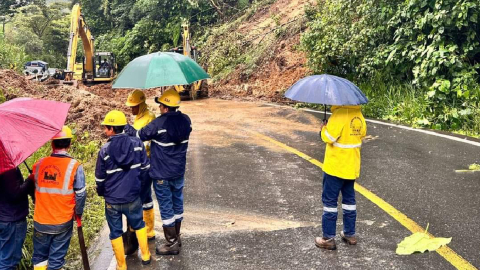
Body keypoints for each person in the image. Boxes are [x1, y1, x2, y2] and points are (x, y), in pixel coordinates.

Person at [124, 89, 192, 256]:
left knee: (166, 207)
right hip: (178, 172)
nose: (159, 108)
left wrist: (124, 126)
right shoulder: (186, 121)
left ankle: (171, 243)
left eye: (161, 105)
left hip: (162, 174)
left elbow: (139, 135)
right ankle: (177, 237)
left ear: (166, 108)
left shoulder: (159, 124)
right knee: (177, 203)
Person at [95, 110, 151, 269]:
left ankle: (121, 265)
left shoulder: (104, 150)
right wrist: (139, 188)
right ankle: (146, 256)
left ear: (112, 129)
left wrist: (102, 193)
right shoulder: (137, 144)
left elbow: (100, 179)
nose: (105, 130)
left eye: (106, 128)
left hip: (112, 200)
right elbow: (146, 169)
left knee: (115, 232)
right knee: (139, 224)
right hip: (133, 197)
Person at [31, 126, 87, 270]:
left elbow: (33, 189)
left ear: (52, 143)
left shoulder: (38, 165)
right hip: (62, 222)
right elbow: (80, 194)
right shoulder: (75, 166)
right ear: (69, 144)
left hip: (40, 221)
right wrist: (78, 213)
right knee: (56, 260)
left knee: (39, 259)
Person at [315, 105, 367, 250]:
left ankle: (328, 238)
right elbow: (362, 134)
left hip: (335, 167)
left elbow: (329, 137)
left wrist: (323, 129)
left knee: (330, 202)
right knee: (349, 201)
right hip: (351, 167)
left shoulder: (338, 115)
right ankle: (350, 234)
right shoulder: (358, 115)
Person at [125, 90, 157, 241]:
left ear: (141, 104)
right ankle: (149, 231)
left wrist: (133, 134)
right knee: (146, 198)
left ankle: (140, 231)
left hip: (145, 163)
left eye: (134, 106)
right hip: (140, 162)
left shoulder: (149, 118)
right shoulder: (139, 117)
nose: (131, 109)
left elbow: (145, 142)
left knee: (140, 197)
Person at [0, 167, 35, 270]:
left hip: (3, 217)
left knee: (3, 257)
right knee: (8, 262)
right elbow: (15, 194)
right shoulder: (7, 169)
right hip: (11, 219)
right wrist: (30, 179)